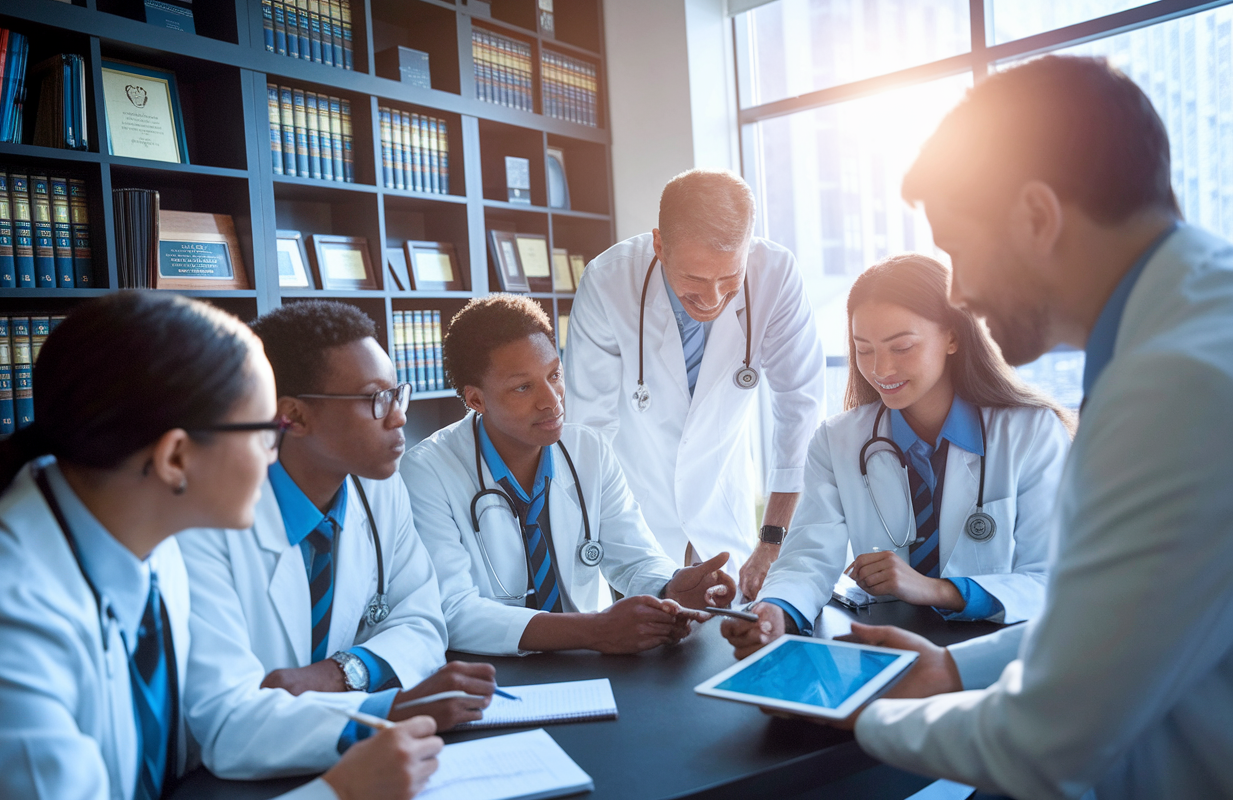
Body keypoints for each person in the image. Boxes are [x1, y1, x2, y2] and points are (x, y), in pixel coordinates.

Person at [792, 56, 1233, 799]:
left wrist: (867, 712)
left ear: (1037, 217)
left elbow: (1050, 738)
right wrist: (954, 668)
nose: (958, 290)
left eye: (960, 250)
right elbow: (1118, 627)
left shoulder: (1174, 384)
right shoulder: (1194, 327)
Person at [0, 292, 441, 800]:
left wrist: (387, 723)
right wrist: (339, 793)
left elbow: (233, 705)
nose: (275, 453)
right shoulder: (2, 622)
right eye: (263, 432)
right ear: (176, 458)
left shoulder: (148, 546)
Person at [179, 300, 494, 780]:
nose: (398, 417)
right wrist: (392, 709)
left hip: (350, 765)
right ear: (294, 417)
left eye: (397, 393)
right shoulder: (206, 525)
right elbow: (228, 727)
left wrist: (342, 673)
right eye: (375, 399)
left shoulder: (379, 488)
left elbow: (423, 621)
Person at [721, 254, 1071, 656]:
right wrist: (776, 612)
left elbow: (1053, 580)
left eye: (901, 347)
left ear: (953, 336)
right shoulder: (838, 441)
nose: (881, 368)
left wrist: (935, 590)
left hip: (998, 656)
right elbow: (808, 559)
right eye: (863, 350)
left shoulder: (1031, 433)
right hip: (885, 651)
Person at [400, 295, 736, 655]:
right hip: (490, 670)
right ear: (476, 400)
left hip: (586, 660)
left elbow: (635, 557)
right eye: (523, 387)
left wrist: (671, 587)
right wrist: (595, 630)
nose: (552, 400)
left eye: (554, 375)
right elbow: (452, 610)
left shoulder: (589, 450)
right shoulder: (427, 471)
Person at [564, 169, 826, 598]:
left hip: (725, 510)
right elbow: (589, 432)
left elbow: (800, 407)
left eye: (729, 280)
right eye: (695, 281)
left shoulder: (775, 274)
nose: (712, 299)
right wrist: (621, 550)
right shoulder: (608, 281)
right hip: (635, 519)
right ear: (660, 245)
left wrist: (774, 538)